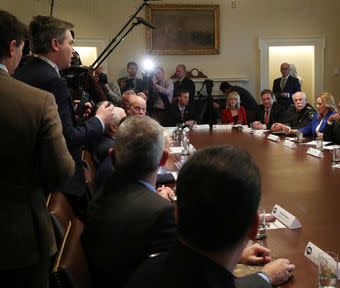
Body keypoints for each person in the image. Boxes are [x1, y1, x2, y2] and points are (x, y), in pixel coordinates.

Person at [127, 145, 296, 288]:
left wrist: (237, 257)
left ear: (176, 214)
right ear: (253, 227)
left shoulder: (143, 270)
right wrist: (266, 276)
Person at [0, 10, 75, 287]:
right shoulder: (37, 101)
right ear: (12, 47)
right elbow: (61, 170)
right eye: (22, 48)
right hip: (18, 239)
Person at [13, 15, 114, 210]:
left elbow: (45, 125)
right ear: (55, 44)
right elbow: (68, 138)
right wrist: (100, 120)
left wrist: (73, 116)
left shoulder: (25, 71)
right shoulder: (51, 81)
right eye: (70, 43)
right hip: (57, 179)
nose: (73, 50)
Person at [84, 116, 177, 288]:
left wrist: (152, 199)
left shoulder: (105, 192)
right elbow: (182, 271)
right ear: (163, 158)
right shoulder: (160, 212)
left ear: (112, 157)